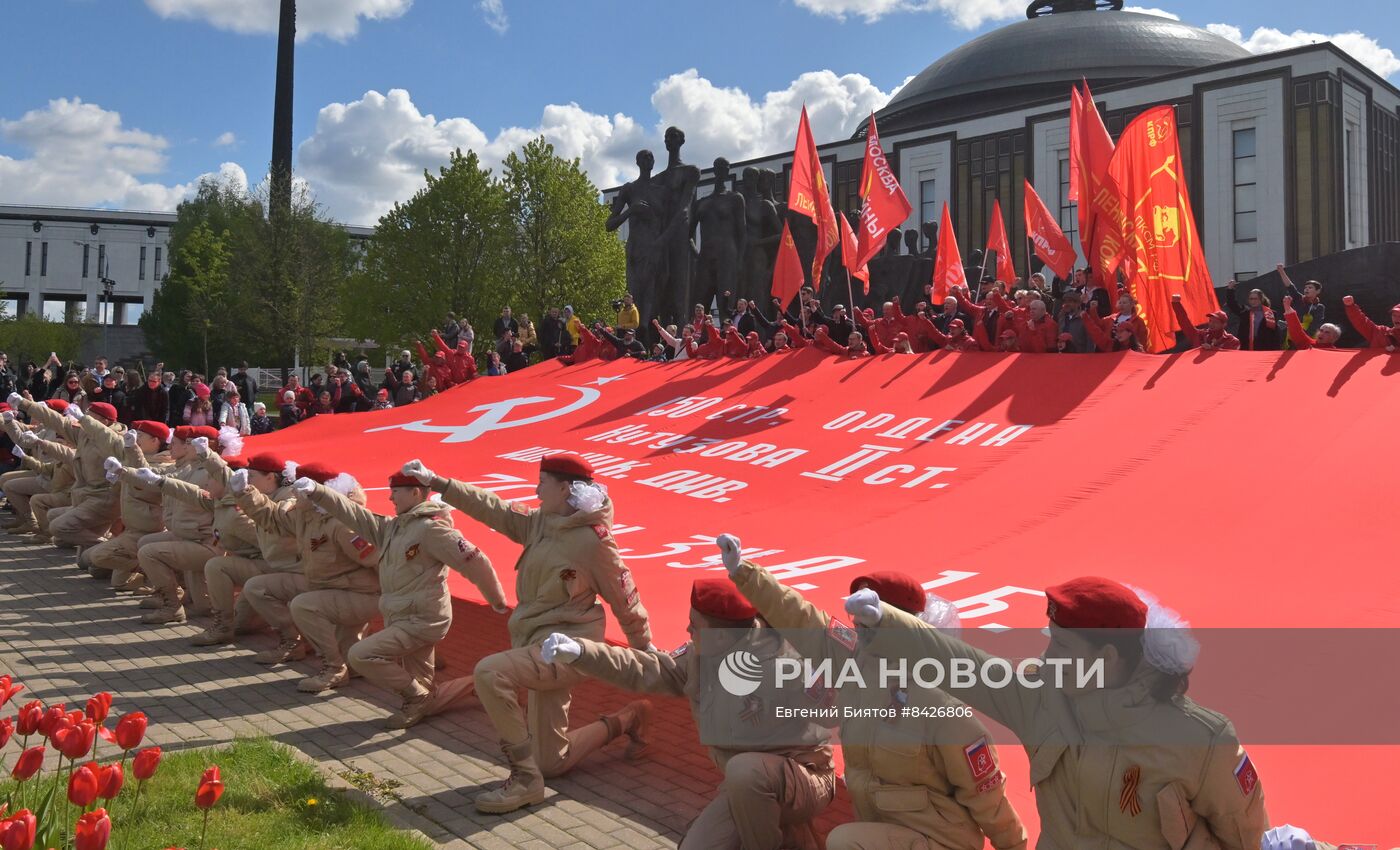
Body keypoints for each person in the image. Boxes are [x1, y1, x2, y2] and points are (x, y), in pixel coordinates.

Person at [845, 576, 1269, 849]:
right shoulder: (1042, 700)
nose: (1047, 658)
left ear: (1106, 656)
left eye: (1062, 648)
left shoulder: (1203, 740)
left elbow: (1246, 837)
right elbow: (963, 665)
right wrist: (886, 620)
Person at [716, 536, 1027, 850]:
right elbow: (801, 617)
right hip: (884, 832)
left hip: (940, 841)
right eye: (858, 618)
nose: (860, 629)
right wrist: (744, 572)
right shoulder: (854, 662)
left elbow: (985, 792)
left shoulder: (937, 698)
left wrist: (1014, 845)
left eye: (870, 619)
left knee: (844, 842)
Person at [400, 454, 653, 814]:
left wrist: (644, 649)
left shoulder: (592, 541)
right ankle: (629, 719)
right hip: (532, 641)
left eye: (542, 484)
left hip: (567, 649)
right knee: (552, 762)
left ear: (565, 488)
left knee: (490, 671)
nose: (535, 491)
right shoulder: (541, 523)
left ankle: (524, 780)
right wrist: (438, 482)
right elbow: (493, 508)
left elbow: (625, 597)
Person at [540, 576, 839, 850]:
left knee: (745, 773)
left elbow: (841, 711)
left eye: (695, 626)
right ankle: (794, 836)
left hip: (804, 779)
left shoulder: (784, 664)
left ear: (720, 637)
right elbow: (645, 668)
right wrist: (582, 653)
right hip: (748, 787)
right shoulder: (700, 657)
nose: (688, 631)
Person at [298, 468, 508, 727]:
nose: (390, 498)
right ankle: (475, 687)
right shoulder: (392, 527)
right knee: (422, 685)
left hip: (422, 619)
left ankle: (417, 698)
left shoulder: (433, 530)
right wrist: (319, 492)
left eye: (395, 492)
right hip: (403, 614)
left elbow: (476, 562)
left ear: (415, 493)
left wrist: (496, 600)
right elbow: (353, 514)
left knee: (361, 654)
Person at [236, 460, 380, 674]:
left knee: (306, 607)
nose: (293, 491)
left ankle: (333, 669)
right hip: (324, 585)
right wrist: (245, 493)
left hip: (357, 593)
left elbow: (380, 561)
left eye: (299, 488)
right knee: (258, 587)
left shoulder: (344, 523)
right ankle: (294, 644)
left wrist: (401, 605)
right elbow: (274, 519)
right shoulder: (306, 514)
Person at [117, 425, 221, 624]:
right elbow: (160, 478)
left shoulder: (212, 472)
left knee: (149, 552)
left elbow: (183, 489)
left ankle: (172, 606)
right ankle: (177, 594)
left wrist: (157, 479)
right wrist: (124, 471)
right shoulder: (191, 468)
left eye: (192, 443)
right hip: (188, 534)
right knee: (146, 543)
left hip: (206, 540)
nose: (189, 447)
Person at [89, 420, 169, 587]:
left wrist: (132, 450)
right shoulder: (137, 458)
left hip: (148, 530)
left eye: (140, 436)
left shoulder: (164, 463)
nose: (136, 439)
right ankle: (145, 569)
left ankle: (152, 571)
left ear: (155, 441)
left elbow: (145, 479)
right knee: (98, 569)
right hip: (131, 528)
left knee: (98, 558)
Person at [1171, 295, 1240, 351]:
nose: (1211, 324)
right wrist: (1176, 304)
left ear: (1224, 324)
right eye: (1210, 321)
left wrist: (1212, 349)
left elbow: (1232, 358)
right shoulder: (1199, 334)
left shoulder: (1232, 341)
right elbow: (1184, 323)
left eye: (1215, 322)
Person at [1225, 281, 1280, 351]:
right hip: (1246, 347)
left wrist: (1276, 351)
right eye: (1251, 299)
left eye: (1255, 298)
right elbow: (1232, 304)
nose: (1253, 301)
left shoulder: (1271, 314)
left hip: (1265, 348)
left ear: (1261, 299)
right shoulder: (1245, 312)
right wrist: (1230, 289)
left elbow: (1275, 335)